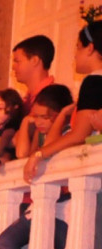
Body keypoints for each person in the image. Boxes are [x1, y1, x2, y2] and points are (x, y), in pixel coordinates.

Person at [0, 84, 76, 249]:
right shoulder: (42, 135)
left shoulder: (69, 130)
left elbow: (50, 146)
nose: (39, 121)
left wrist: (61, 117)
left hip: (66, 202)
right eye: (36, 116)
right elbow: (24, 154)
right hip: (43, 203)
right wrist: (26, 123)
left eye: (45, 117)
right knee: (7, 241)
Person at [26, 21, 102, 184]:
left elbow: (80, 135)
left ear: (90, 48)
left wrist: (38, 154)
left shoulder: (94, 81)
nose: (74, 55)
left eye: (78, 47)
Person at [13, 34, 57, 113]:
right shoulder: (27, 100)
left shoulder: (53, 100)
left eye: (17, 61)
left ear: (34, 61)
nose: (13, 67)